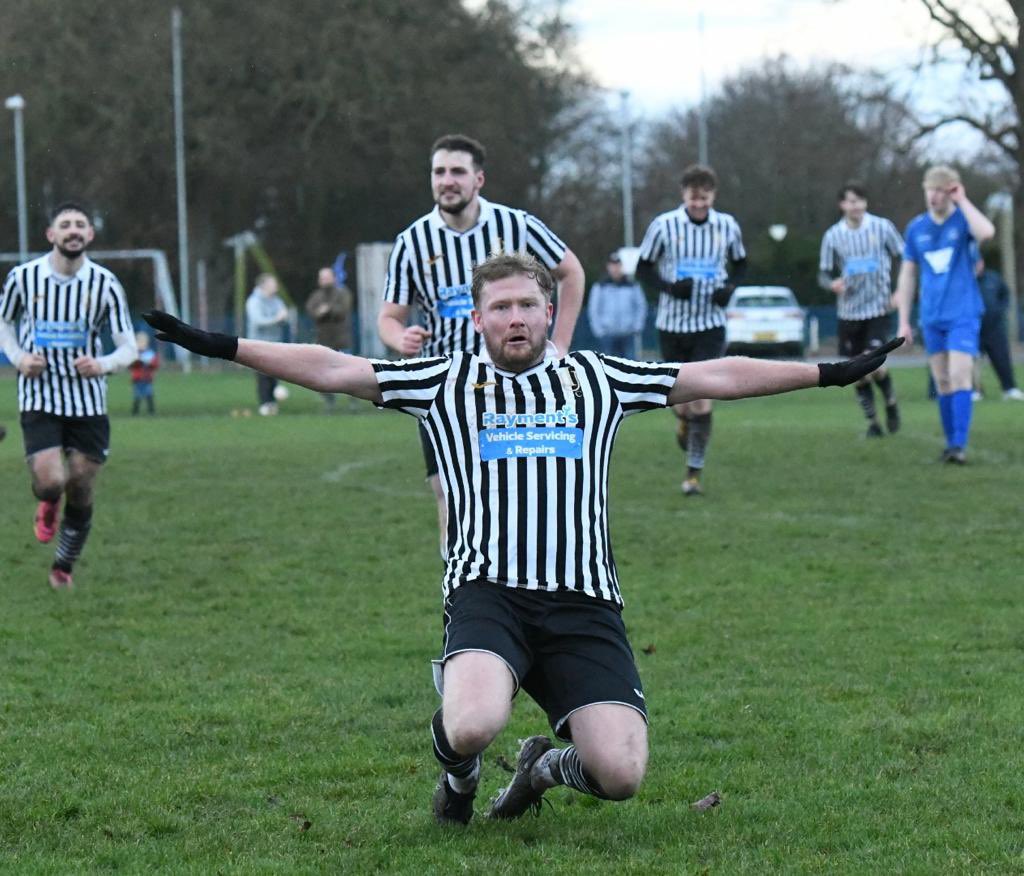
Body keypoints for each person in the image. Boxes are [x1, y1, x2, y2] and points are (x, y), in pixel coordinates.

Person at [143, 251, 900, 828]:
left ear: (548, 314)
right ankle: (461, 778)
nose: (514, 317)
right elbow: (334, 368)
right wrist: (221, 344)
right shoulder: (443, 381)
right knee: (472, 723)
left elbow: (717, 376)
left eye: (527, 306)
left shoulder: (597, 377)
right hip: (489, 593)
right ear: (476, 319)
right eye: (499, 306)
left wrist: (831, 371)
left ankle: (538, 775)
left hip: (583, 604)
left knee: (622, 775)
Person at [378, 133, 585, 554]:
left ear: (479, 179)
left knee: (522, 492)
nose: (447, 180)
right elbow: (389, 317)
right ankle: (460, 586)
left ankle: (533, 576)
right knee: (447, 492)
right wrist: (402, 338)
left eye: (458, 171)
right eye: (439, 172)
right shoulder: (412, 242)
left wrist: (560, 345)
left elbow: (572, 272)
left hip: (515, 384)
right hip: (446, 388)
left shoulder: (517, 226)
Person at [0, 201, 137, 589]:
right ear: (51, 235)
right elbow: (3, 322)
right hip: (39, 395)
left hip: (88, 399)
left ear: (90, 235)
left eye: (80, 225)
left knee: (81, 482)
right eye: (66, 225)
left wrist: (103, 364)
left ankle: (63, 564)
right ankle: (48, 499)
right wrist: (18, 357)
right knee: (50, 482)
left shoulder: (106, 284)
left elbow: (129, 347)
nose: (73, 230)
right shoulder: (24, 278)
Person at [635, 163, 747, 496]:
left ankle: (693, 474)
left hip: (710, 324)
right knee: (680, 402)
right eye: (693, 198)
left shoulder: (726, 226)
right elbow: (643, 268)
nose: (699, 204)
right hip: (672, 325)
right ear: (684, 195)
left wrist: (730, 289)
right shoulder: (664, 226)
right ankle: (682, 420)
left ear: (713, 196)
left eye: (705, 198)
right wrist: (669, 288)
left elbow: (741, 263)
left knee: (702, 396)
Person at [896, 166, 996, 463]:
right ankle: (951, 444)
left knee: (959, 374)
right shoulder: (916, 227)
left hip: (963, 312)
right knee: (942, 380)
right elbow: (908, 275)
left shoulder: (962, 220)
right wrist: (903, 319)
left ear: (951, 191)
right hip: (932, 315)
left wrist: (963, 200)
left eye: (941, 190)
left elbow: (987, 232)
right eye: (930, 189)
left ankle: (958, 445)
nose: (934, 196)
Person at [818, 182, 905, 437]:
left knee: (874, 364)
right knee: (856, 371)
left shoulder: (882, 227)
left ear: (865, 203)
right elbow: (822, 274)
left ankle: (890, 401)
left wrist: (899, 291)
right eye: (851, 201)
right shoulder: (833, 235)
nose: (855, 206)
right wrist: (831, 284)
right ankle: (873, 423)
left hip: (878, 308)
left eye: (860, 201)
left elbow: (905, 258)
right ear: (842, 205)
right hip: (848, 312)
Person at [973, 251, 1024, 401]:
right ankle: (976, 390)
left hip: (994, 327)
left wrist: (1001, 310)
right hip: (974, 328)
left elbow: (1005, 294)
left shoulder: (993, 278)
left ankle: (1009, 388)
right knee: (973, 361)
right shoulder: (966, 281)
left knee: (1002, 358)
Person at [305, 265, 354, 413]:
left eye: (326, 277)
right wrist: (320, 312)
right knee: (323, 372)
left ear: (333, 278)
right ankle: (329, 402)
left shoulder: (343, 293)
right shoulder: (316, 296)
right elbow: (311, 311)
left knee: (350, 371)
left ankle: (353, 400)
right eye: (322, 278)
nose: (324, 280)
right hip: (323, 340)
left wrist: (327, 310)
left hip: (342, 339)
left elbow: (343, 310)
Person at [586, 253, 648, 358]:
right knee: (609, 366)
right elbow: (593, 309)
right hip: (607, 334)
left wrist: (637, 327)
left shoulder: (632, 286)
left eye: (618, 265)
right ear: (608, 267)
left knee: (630, 367)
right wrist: (599, 330)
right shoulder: (600, 286)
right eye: (613, 265)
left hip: (628, 334)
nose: (615, 268)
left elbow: (641, 306)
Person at [245, 273, 289, 416]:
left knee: (274, 373)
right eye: (272, 283)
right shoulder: (254, 301)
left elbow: (284, 318)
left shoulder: (276, 301)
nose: (275, 285)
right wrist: (276, 319)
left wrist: (283, 319)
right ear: (263, 285)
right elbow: (258, 321)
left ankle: (272, 403)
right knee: (263, 374)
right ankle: (265, 404)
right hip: (259, 344)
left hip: (275, 343)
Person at [130, 330, 159, 415]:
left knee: (149, 394)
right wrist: (137, 362)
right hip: (137, 379)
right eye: (139, 342)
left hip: (147, 378)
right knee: (137, 395)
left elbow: (155, 364)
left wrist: (151, 364)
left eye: (143, 342)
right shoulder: (134, 354)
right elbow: (130, 365)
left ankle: (151, 411)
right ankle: (135, 411)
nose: (141, 344)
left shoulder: (150, 353)